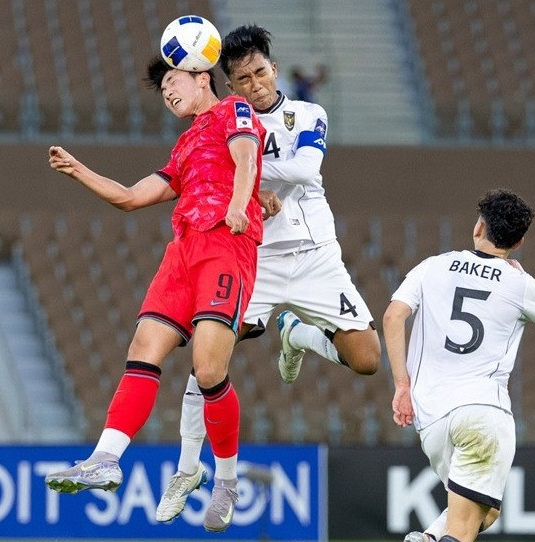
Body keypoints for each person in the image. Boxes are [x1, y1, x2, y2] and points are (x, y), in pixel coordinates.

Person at [155, 24, 381, 523]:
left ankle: (297, 335)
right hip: (257, 257)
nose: (255, 84)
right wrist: (241, 177)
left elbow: (306, 171)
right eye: (243, 78)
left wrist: (244, 173)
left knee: (367, 360)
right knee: (207, 357)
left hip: (319, 256)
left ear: (274, 69)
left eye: (261, 72)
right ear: (230, 85)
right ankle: (187, 466)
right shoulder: (222, 122)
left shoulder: (308, 113)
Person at [43, 57, 267, 534]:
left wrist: (237, 205)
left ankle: (225, 480)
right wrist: (78, 170)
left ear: (201, 77)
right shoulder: (184, 146)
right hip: (183, 253)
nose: (166, 92)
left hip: (226, 244)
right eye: (162, 87)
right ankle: (105, 459)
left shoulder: (235, 109)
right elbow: (128, 197)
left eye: (172, 80)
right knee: (142, 349)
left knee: (209, 370)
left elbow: (247, 157)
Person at [383, 189, 535, 542]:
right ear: (518, 242)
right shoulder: (520, 284)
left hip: (433, 418)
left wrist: (402, 385)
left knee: (486, 511)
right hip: (483, 412)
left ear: (478, 227)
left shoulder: (432, 266)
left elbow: (393, 316)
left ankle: (428, 539)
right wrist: (531, 290)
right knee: (467, 526)